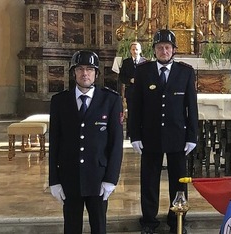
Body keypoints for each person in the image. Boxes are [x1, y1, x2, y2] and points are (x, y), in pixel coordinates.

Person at [129, 29, 199, 234]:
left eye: (167, 47)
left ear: (174, 50)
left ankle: (177, 220)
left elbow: (191, 107)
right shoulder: (143, 71)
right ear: (154, 50)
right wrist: (135, 135)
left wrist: (192, 136)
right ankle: (149, 222)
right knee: (149, 180)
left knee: (179, 181)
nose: (164, 51)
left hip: (178, 134)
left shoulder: (185, 72)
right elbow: (136, 106)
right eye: (160, 47)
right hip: (150, 135)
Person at [48, 50, 124, 234]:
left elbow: (116, 144)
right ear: (73, 73)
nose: (85, 74)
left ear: (96, 74)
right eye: (80, 69)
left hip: (98, 178)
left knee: (99, 226)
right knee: (71, 227)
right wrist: (54, 180)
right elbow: (55, 143)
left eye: (90, 69)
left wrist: (111, 179)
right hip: (70, 176)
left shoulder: (110, 100)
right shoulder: (60, 101)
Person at [118, 42, 147, 138]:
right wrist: (130, 80)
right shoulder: (126, 62)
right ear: (130, 51)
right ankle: (130, 133)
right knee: (131, 112)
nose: (135, 51)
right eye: (133, 49)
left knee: (143, 112)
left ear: (140, 50)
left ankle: (142, 132)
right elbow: (121, 77)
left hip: (143, 92)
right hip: (131, 91)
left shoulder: (145, 62)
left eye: (137, 49)